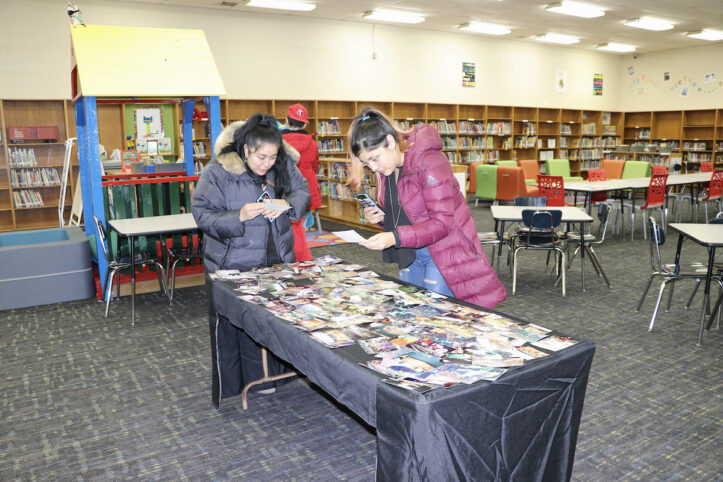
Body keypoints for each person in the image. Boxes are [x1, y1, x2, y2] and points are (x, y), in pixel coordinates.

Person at [192, 113, 311, 406]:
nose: (266, 163)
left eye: (272, 157)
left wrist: (287, 204)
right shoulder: (217, 172)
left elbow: (303, 192)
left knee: (276, 321)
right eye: (260, 156)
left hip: (276, 257)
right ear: (245, 149)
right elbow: (202, 215)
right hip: (234, 262)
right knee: (242, 326)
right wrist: (239, 216)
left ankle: (275, 376)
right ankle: (249, 383)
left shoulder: (282, 164)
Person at [348, 108, 506, 309]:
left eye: (374, 158)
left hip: (445, 252)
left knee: (437, 316)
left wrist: (394, 237)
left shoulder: (429, 162)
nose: (373, 168)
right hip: (411, 253)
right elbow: (407, 216)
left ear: (389, 142)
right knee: (411, 312)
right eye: (366, 163)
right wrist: (381, 219)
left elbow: (442, 223)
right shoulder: (387, 169)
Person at [281, 103, 321, 261]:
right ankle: (300, 257)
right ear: (305, 123)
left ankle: (286, 256)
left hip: (283, 191)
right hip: (305, 192)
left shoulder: (276, 142)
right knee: (301, 228)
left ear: (286, 120)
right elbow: (315, 166)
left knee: (282, 228)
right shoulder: (312, 144)